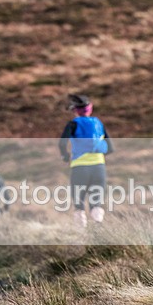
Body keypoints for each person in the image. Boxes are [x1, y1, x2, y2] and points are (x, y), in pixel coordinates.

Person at [59, 94, 113, 228]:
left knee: (79, 204)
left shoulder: (72, 124)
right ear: (90, 109)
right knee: (96, 204)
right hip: (98, 168)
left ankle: (81, 235)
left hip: (79, 167)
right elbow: (110, 148)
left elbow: (61, 143)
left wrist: (65, 156)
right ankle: (98, 230)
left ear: (75, 110)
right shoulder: (99, 124)